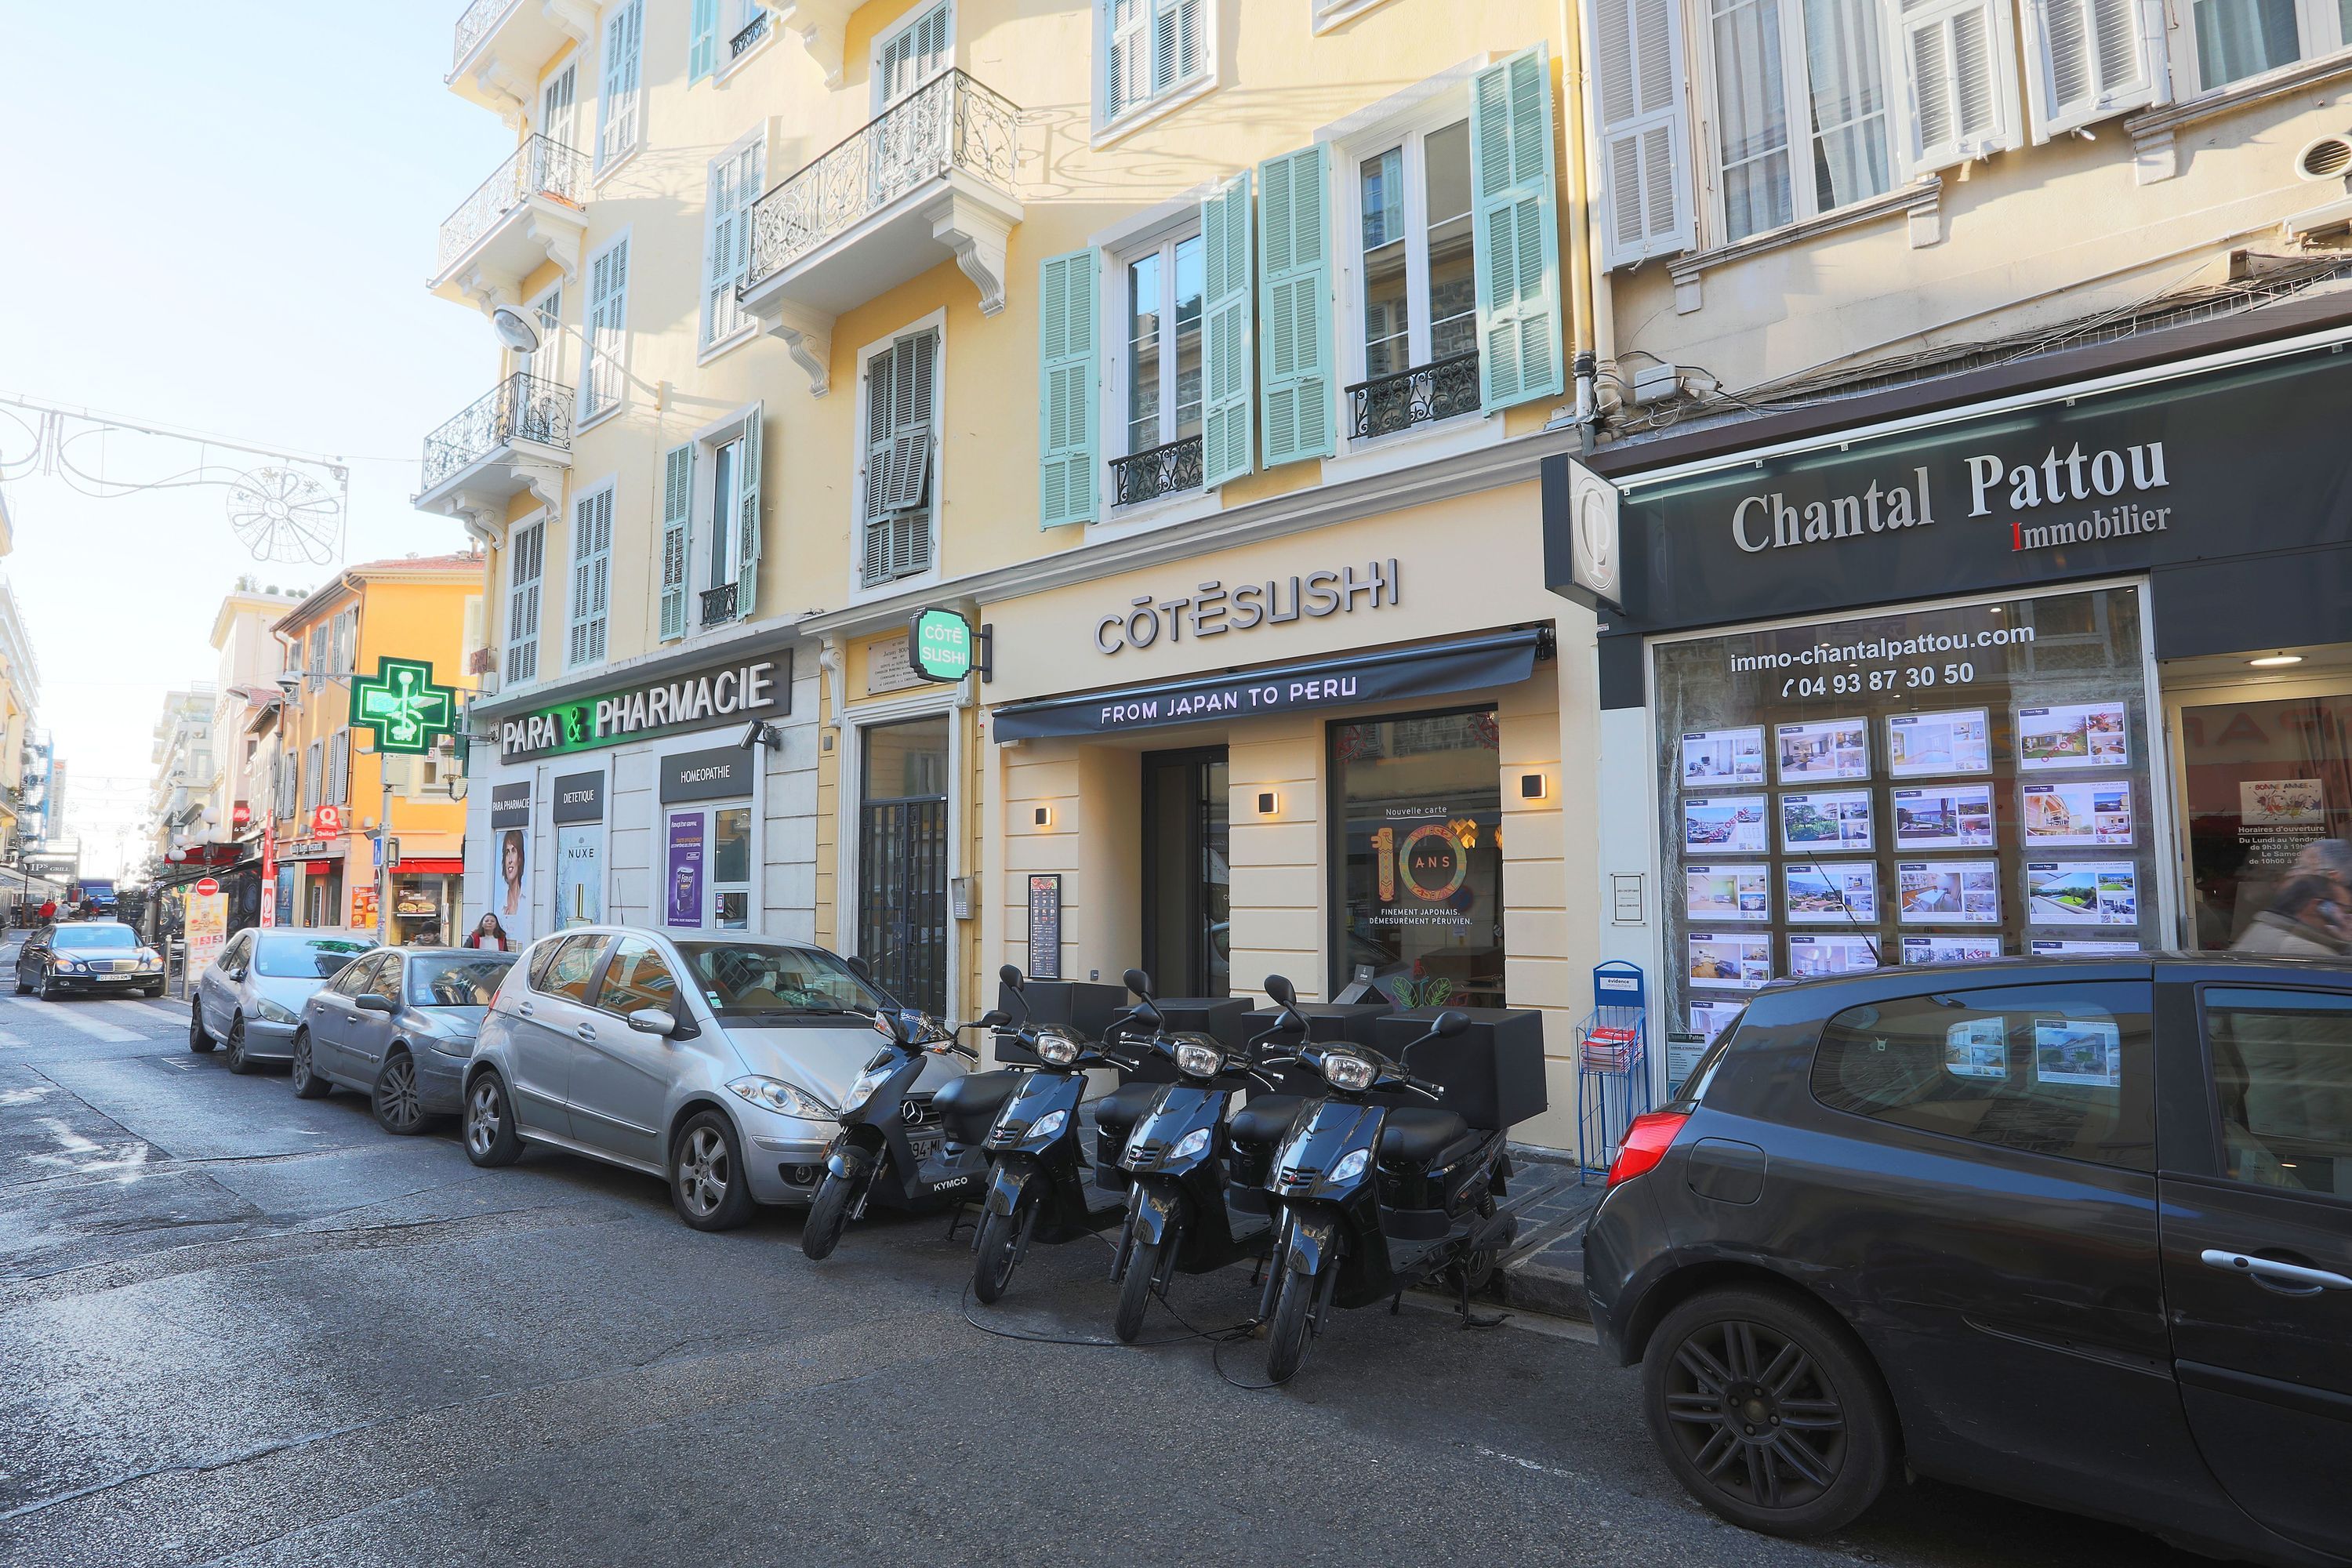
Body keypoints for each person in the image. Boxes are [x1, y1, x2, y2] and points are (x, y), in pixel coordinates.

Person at [2231, 851, 2352, 957]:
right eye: (2346, 911)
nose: (2350, 917)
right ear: (2319, 907)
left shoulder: (2263, 928)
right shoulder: (2309, 951)